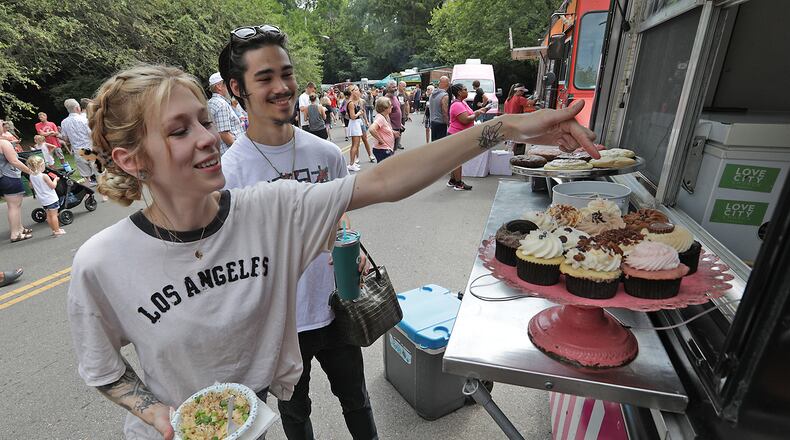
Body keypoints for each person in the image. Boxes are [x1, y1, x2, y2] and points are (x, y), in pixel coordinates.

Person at [67, 59, 596, 440]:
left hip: (256, 422)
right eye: (179, 131)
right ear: (131, 159)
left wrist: (501, 127)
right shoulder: (101, 262)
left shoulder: (269, 210)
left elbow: (387, 180)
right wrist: (158, 415)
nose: (207, 138)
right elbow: (105, 369)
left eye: (206, 120)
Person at [219, 31, 379, 439]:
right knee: (295, 413)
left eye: (287, 73)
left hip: (336, 303)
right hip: (281, 322)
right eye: (265, 77)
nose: (282, 87)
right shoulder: (230, 173)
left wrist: (350, 244)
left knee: (357, 399)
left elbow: (339, 215)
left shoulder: (325, 153)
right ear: (237, 88)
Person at [447, 83, 490, 191]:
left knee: (456, 159)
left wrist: (479, 111)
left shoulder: (462, 103)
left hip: (460, 134)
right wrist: (476, 114)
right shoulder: (457, 105)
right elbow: (465, 119)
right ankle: (458, 183)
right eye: (465, 90)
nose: (467, 91)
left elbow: (470, 114)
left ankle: (453, 180)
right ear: (459, 92)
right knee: (458, 160)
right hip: (456, 135)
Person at [0, 139, 34, 242]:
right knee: (14, 206)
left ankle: (20, 228)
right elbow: (14, 161)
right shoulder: (3, 143)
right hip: (9, 176)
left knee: (15, 205)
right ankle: (15, 233)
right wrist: (30, 171)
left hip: (1, 178)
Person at [25, 155, 66, 237]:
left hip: (43, 200)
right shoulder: (44, 176)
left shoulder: (32, 176)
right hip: (51, 198)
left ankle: (54, 230)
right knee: (54, 215)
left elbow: (31, 186)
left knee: (48, 216)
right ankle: (57, 230)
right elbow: (53, 186)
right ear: (40, 166)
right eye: (43, 165)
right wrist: (55, 180)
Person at [60, 98, 98, 184]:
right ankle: (104, 195)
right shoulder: (84, 120)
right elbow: (91, 134)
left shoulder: (64, 122)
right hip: (89, 149)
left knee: (86, 177)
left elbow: (66, 139)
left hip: (78, 151)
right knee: (99, 173)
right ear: (77, 108)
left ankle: (90, 194)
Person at [207, 72, 243, 155]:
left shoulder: (212, 102)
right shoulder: (221, 104)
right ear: (219, 86)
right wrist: (241, 150)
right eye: (227, 84)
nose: (230, 87)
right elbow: (224, 134)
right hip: (232, 153)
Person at [504, 84, 532, 155]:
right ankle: (513, 156)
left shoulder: (508, 99)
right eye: (522, 91)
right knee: (515, 141)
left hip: (508, 122)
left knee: (509, 141)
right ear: (517, 91)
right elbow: (530, 103)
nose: (523, 93)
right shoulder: (519, 98)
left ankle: (507, 155)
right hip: (516, 122)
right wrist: (536, 98)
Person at [368, 97, 395, 163]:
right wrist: (381, 141)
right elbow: (371, 129)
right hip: (382, 149)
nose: (392, 106)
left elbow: (383, 130)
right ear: (385, 108)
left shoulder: (383, 116)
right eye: (390, 105)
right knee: (386, 171)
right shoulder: (380, 118)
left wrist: (393, 133)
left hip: (384, 149)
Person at [346, 86, 367, 171]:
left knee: (355, 145)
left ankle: (353, 162)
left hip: (356, 123)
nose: (358, 91)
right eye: (356, 90)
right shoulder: (350, 103)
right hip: (354, 124)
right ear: (352, 92)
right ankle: (351, 164)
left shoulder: (353, 102)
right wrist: (359, 113)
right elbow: (352, 116)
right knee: (355, 145)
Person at [429, 76, 450, 142]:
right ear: (447, 84)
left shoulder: (432, 94)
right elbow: (444, 112)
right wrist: (448, 124)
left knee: (434, 143)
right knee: (441, 145)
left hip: (433, 121)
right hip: (441, 123)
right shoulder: (445, 96)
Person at [384, 81, 403, 151]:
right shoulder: (386, 99)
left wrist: (400, 124)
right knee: (390, 149)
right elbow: (386, 115)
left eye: (395, 86)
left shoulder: (394, 97)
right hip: (392, 128)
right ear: (388, 88)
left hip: (397, 127)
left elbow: (397, 110)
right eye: (393, 87)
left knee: (394, 148)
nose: (395, 88)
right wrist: (390, 129)